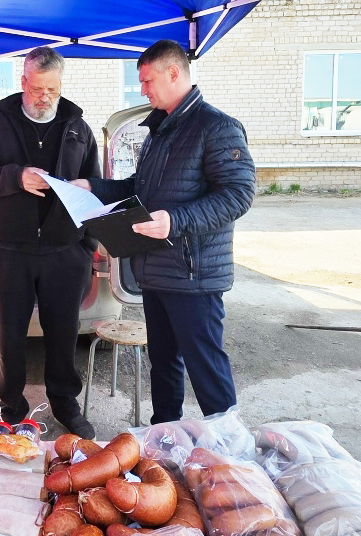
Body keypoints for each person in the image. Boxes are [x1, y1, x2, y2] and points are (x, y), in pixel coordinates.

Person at [74, 40, 255, 424]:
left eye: (146, 80)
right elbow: (139, 188)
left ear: (174, 74)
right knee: (164, 363)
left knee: (204, 366)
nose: (142, 89)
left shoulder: (216, 127)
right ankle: (166, 435)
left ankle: (229, 451)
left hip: (194, 275)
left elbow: (239, 194)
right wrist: (94, 187)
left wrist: (175, 220)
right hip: (156, 271)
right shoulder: (159, 131)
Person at [0, 46, 101, 438]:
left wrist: (84, 246)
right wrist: (15, 177)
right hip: (7, 252)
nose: (44, 98)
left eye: (52, 90)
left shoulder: (78, 127)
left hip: (63, 253)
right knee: (10, 338)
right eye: (37, 89)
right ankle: (12, 410)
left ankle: (66, 405)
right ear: (23, 82)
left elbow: (95, 187)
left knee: (64, 334)